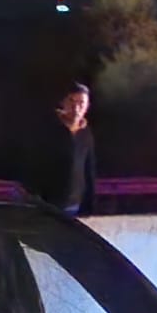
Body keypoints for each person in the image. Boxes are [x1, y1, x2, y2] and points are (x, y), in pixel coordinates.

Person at [51, 84, 97, 217]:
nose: (76, 108)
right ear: (63, 103)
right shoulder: (49, 128)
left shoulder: (85, 133)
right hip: (49, 204)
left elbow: (89, 169)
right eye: (71, 101)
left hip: (74, 205)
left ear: (87, 106)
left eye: (81, 103)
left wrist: (89, 204)